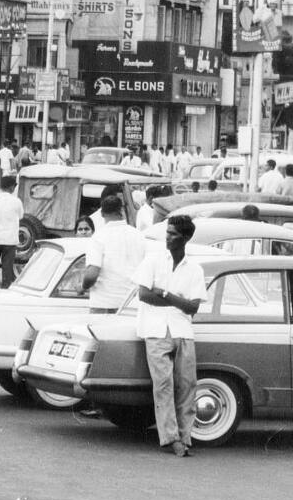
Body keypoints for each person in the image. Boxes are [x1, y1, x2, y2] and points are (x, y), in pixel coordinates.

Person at [131, 214, 207, 457]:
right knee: (163, 384)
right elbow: (143, 295)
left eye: (173, 234)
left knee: (187, 385)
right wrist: (178, 300)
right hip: (155, 329)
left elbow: (193, 307)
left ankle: (186, 437)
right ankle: (171, 438)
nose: (168, 238)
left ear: (185, 238)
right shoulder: (152, 261)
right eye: (167, 233)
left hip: (183, 331)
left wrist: (164, 293)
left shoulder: (194, 269)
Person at [81, 193, 147, 313]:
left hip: (104, 304)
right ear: (121, 210)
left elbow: (91, 275)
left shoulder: (98, 237)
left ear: (101, 213)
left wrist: (83, 287)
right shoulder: (138, 235)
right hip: (133, 303)